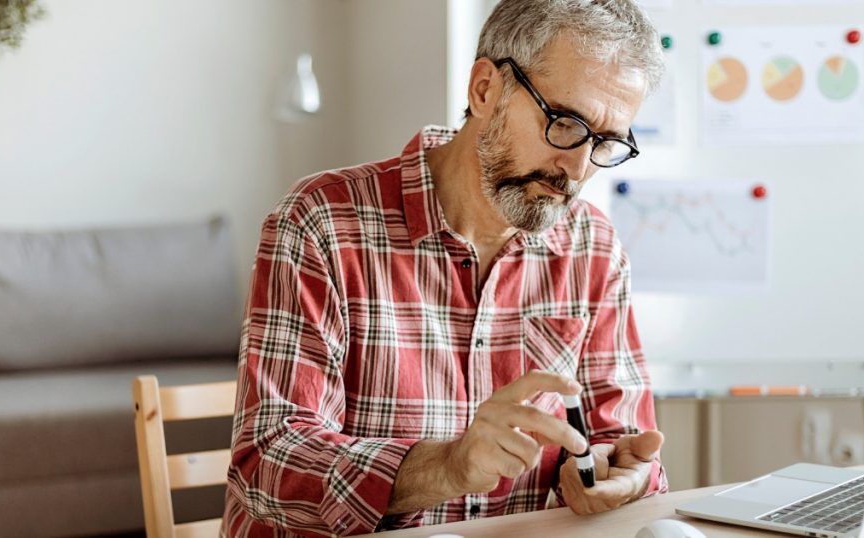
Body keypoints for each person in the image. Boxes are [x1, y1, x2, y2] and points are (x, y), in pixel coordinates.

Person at [222, 1, 668, 535]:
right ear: (485, 89)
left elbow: (622, 438)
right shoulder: (322, 222)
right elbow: (267, 465)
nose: (578, 168)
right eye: (566, 124)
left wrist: (616, 474)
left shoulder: (591, 244)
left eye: (606, 142)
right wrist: (448, 466)